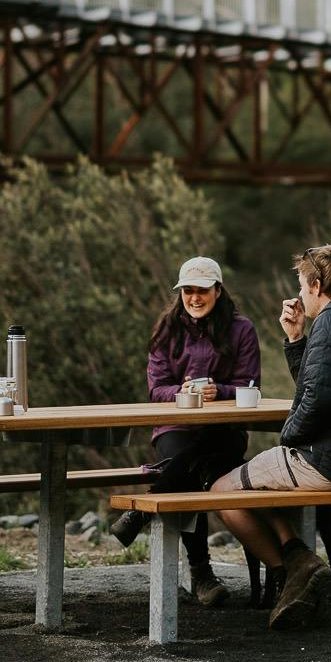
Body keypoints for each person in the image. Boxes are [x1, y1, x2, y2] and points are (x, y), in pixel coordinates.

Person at [211, 242, 331, 630]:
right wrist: (295, 339)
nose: (299, 293)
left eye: (301, 284)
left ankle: (290, 571)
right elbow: (316, 385)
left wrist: (288, 438)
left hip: (327, 462)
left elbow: (320, 399)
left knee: (221, 491)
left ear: (316, 285)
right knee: (255, 483)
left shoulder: (330, 323)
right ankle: (297, 557)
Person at [107, 256, 261, 607]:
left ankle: (144, 511)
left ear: (218, 290)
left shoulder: (242, 330)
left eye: (202, 290)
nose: (194, 297)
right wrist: (182, 392)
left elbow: (251, 385)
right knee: (187, 469)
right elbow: (156, 389)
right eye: (188, 290)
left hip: (225, 429)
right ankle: (201, 572)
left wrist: (219, 391)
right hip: (175, 426)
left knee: (194, 461)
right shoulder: (166, 330)